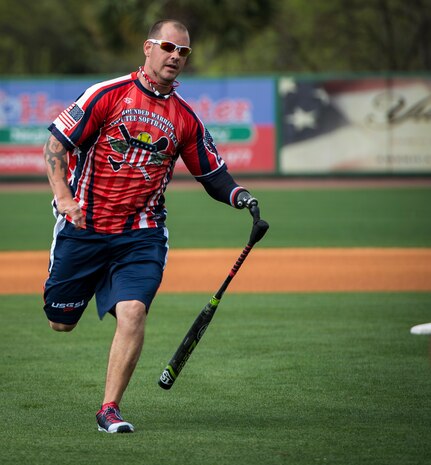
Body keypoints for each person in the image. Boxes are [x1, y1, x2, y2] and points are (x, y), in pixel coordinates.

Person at [42, 19, 259, 434]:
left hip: (141, 235)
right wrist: (65, 199)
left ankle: (110, 409)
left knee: (133, 312)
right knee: (61, 322)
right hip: (84, 225)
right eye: (168, 47)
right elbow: (56, 144)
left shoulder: (184, 118)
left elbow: (212, 174)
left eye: (184, 52)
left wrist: (240, 196)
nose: (176, 56)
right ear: (148, 48)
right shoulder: (107, 95)